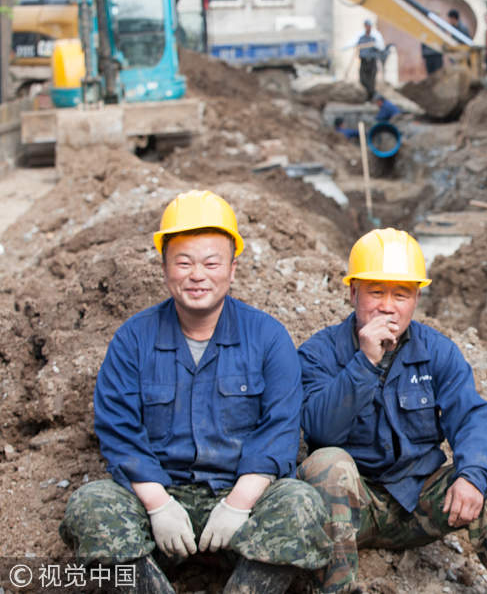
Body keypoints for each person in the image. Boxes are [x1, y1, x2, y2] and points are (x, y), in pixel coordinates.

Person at [60, 190, 331, 593]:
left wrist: (238, 504)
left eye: (211, 263)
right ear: (164, 268)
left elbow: (279, 431)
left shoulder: (268, 338)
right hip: (159, 500)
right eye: (184, 262)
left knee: (301, 504)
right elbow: (119, 431)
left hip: (240, 503)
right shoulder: (133, 339)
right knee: (91, 507)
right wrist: (158, 506)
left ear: (232, 269)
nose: (197, 275)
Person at [297, 228, 487, 594]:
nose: (387, 306)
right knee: (326, 464)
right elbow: (321, 429)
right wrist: (365, 363)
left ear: (415, 299)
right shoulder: (319, 353)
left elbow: (472, 418)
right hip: (349, 510)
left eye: (401, 294)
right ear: (353, 293)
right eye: (376, 292)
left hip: (417, 503)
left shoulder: (437, 352)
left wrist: (472, 477)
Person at [346, 19, 386, 100]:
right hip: (364, 61)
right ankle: (364, 96)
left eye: (369, 26)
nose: (368, 27)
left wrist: (375, 45)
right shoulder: (361, 38)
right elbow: (353, 45)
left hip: (372, 61)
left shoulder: (375, 37)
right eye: (367, 26)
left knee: (371, 79)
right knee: (363, 79)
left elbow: (381, 47)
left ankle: (371, 97)